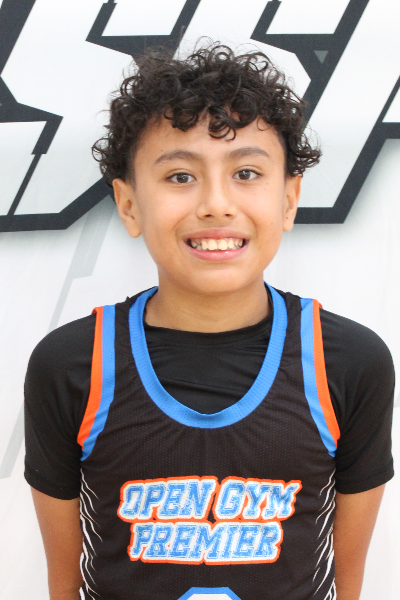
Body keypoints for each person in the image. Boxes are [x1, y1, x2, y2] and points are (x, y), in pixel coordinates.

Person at [24, 44, 394, 600]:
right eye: (180, 176)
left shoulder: (349, 362)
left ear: (289, 199)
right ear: (129, 205)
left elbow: (349, 586)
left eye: (246, 172)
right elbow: (63, 584)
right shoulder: (71, 364)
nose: (216, 204)